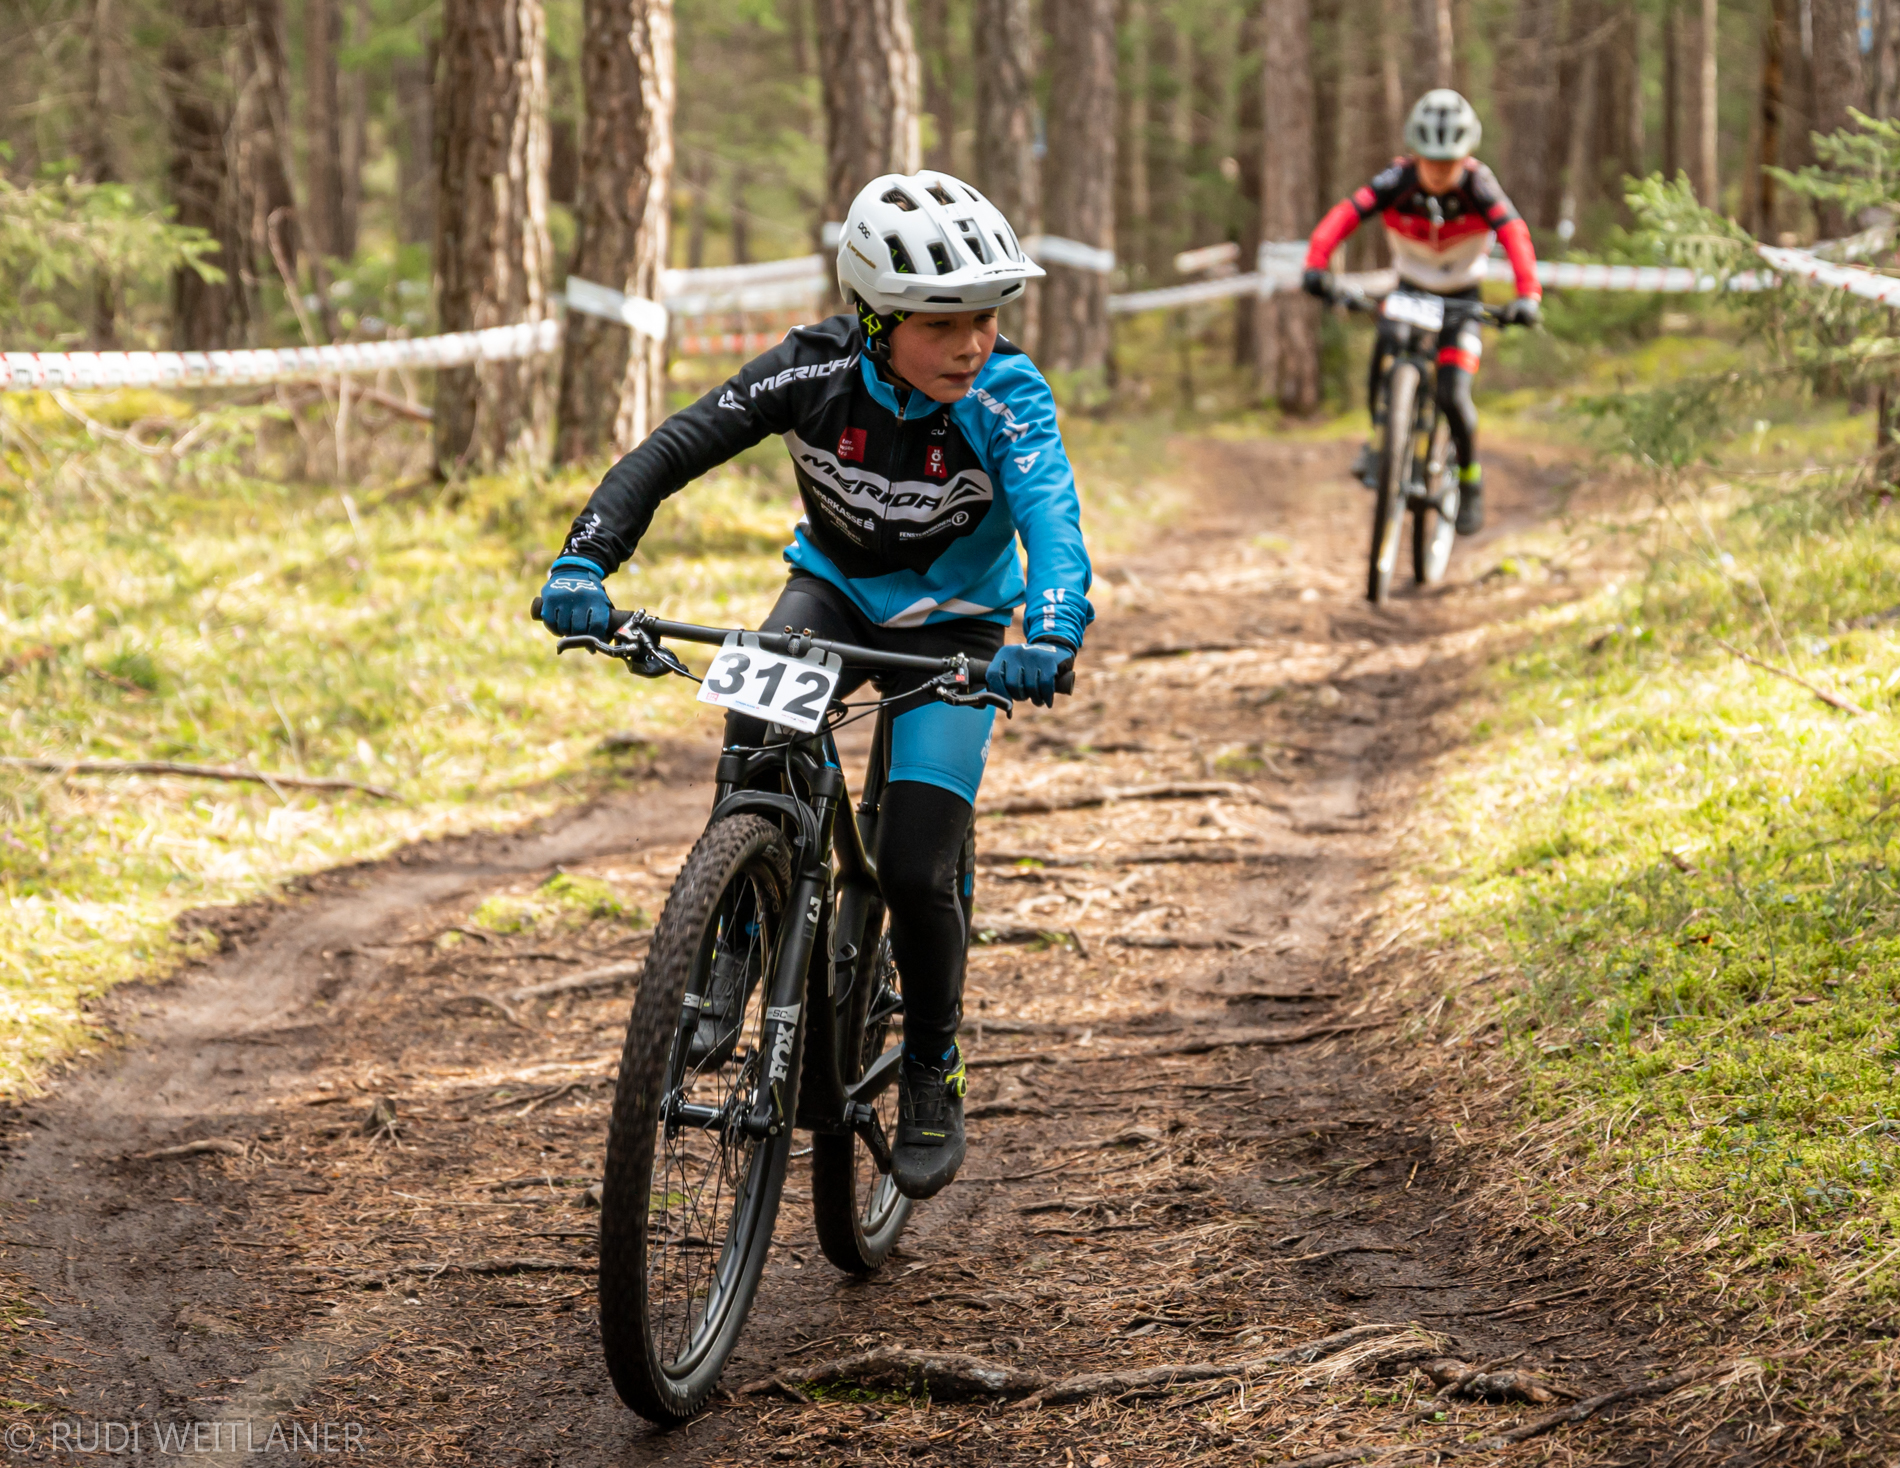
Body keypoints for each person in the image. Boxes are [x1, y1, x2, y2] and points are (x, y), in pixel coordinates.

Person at [537, 170, 1093, 1202]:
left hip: (958, 628)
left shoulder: (1006, 396)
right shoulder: (812, 369)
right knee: (756, 728)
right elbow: (672, 450)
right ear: (876, 320)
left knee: (915, 865)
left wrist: (1051, 629)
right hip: (831, 595)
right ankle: (731, 939)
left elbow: (1052, 519)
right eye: (942, 322)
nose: (972, 342)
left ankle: (932, 1060)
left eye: (985, 316)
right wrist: (585, 560)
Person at [1300, 89, 1541, 536]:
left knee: (1453, 394)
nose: (1440, 172)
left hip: (1462, 296)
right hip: (1410, 287)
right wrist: (1316, 265)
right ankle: (1380, 440)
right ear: (1415, 154)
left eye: (1450, 163)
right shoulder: (1396, 179)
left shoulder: (1480, 185)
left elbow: (1514, 232)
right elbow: (1345, 215)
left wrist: (1528, 295)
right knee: (1386, 346)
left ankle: (1470, 480)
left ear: (1466, 156)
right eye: (1432, 162)